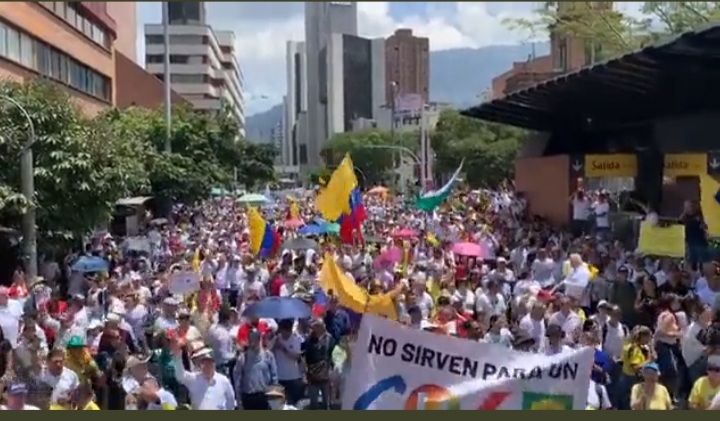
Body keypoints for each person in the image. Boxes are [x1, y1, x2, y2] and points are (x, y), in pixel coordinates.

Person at [171, 339, 235, 410]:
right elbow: (180, 376)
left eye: (209, 362)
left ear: (214, 363)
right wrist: (177, 357)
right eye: (204, 363)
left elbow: (230, 402)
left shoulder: (223, 381)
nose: (207, 366)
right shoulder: (194, 379)